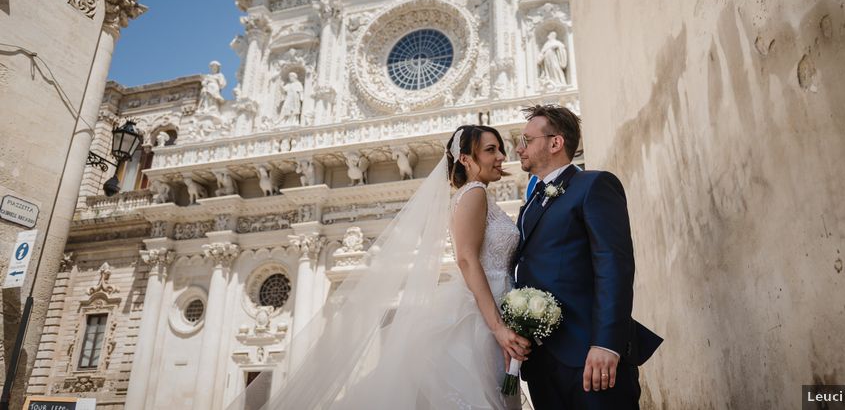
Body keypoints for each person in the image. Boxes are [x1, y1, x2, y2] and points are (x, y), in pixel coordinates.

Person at [231, 125, 530, 409]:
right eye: (491, 150)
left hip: (488, 306)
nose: (502, 156)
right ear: (466, 159)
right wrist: (498, 327)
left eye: (500, 149)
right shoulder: (475, 193)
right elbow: (466, 259)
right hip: (483, 315)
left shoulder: (474, 195)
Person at [515, 104, 662, 410]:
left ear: (556, 143)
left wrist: (607, 343)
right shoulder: (532, 202)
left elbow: (614, 266)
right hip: (543, 362)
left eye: (527, 140)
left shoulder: (593, 185)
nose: (519, 148)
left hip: (591, 354)